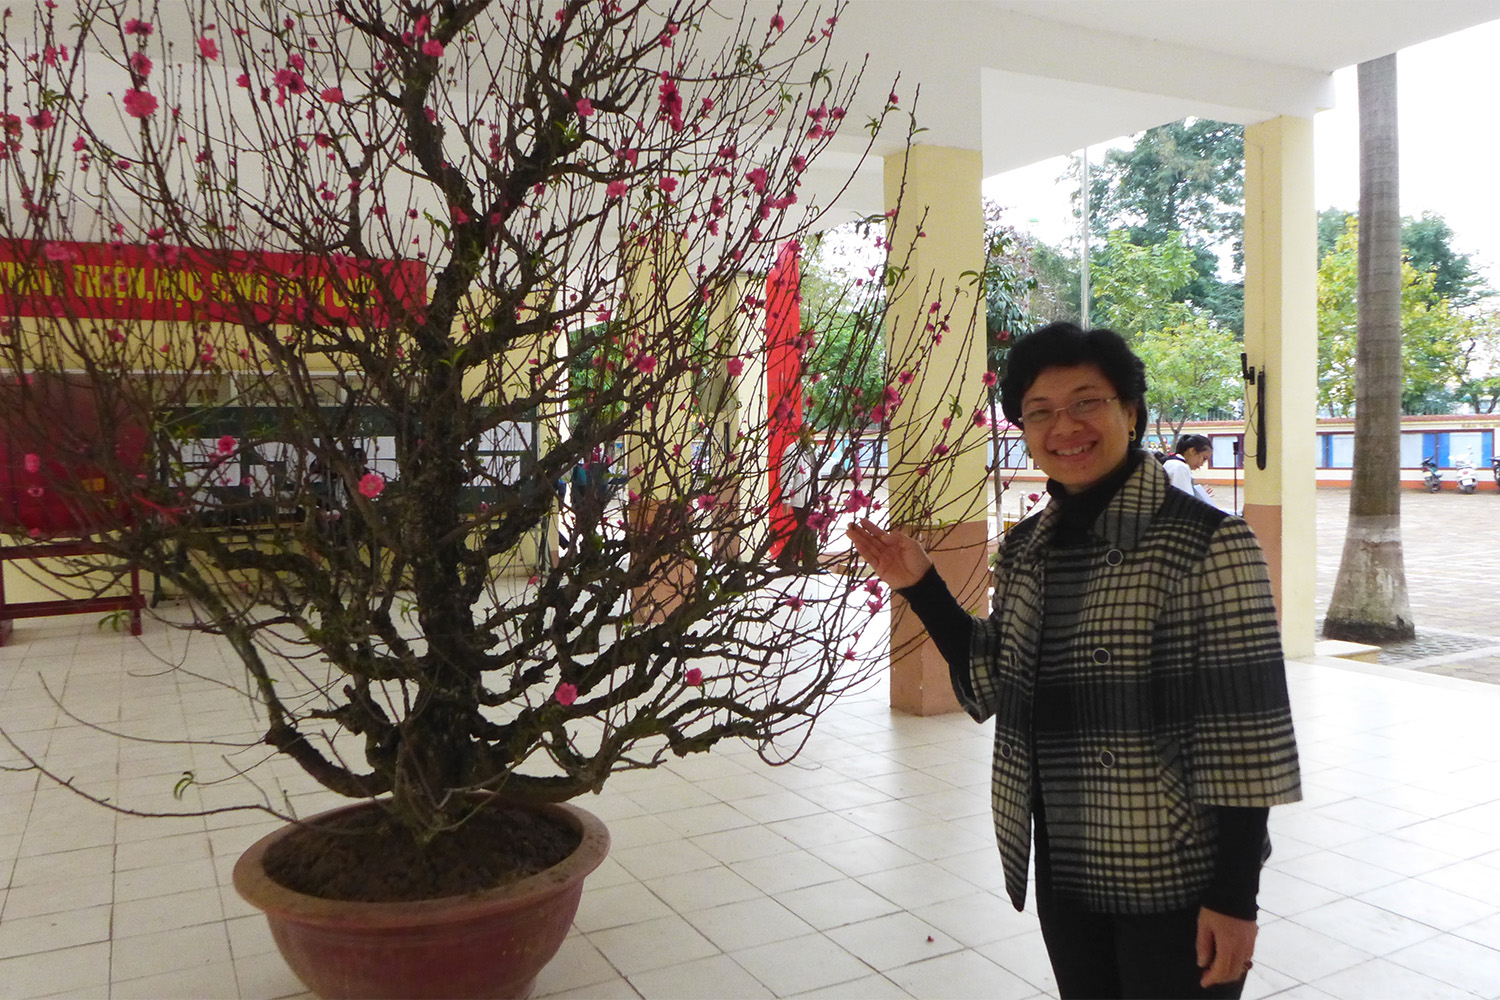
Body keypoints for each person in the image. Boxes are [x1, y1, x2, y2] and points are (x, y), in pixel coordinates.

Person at [846, 322, 1301, 999]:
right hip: (1065, 856)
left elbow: (1247, 733)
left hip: (1171, 868)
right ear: (1024, 430)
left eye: (1087, 401)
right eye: (1040, 412)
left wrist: (1235, 898)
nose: (1066, 426)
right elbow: (992, 679)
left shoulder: (1211, 542)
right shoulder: (1029, 546)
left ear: (1130, 412)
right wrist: (922, 585)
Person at [1163, 433, 1216, 505]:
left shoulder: (1172, 464)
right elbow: (1183, 504)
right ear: (1192, 451)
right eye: (1204, 458)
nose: (1201, 464)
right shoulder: (1180, 467)